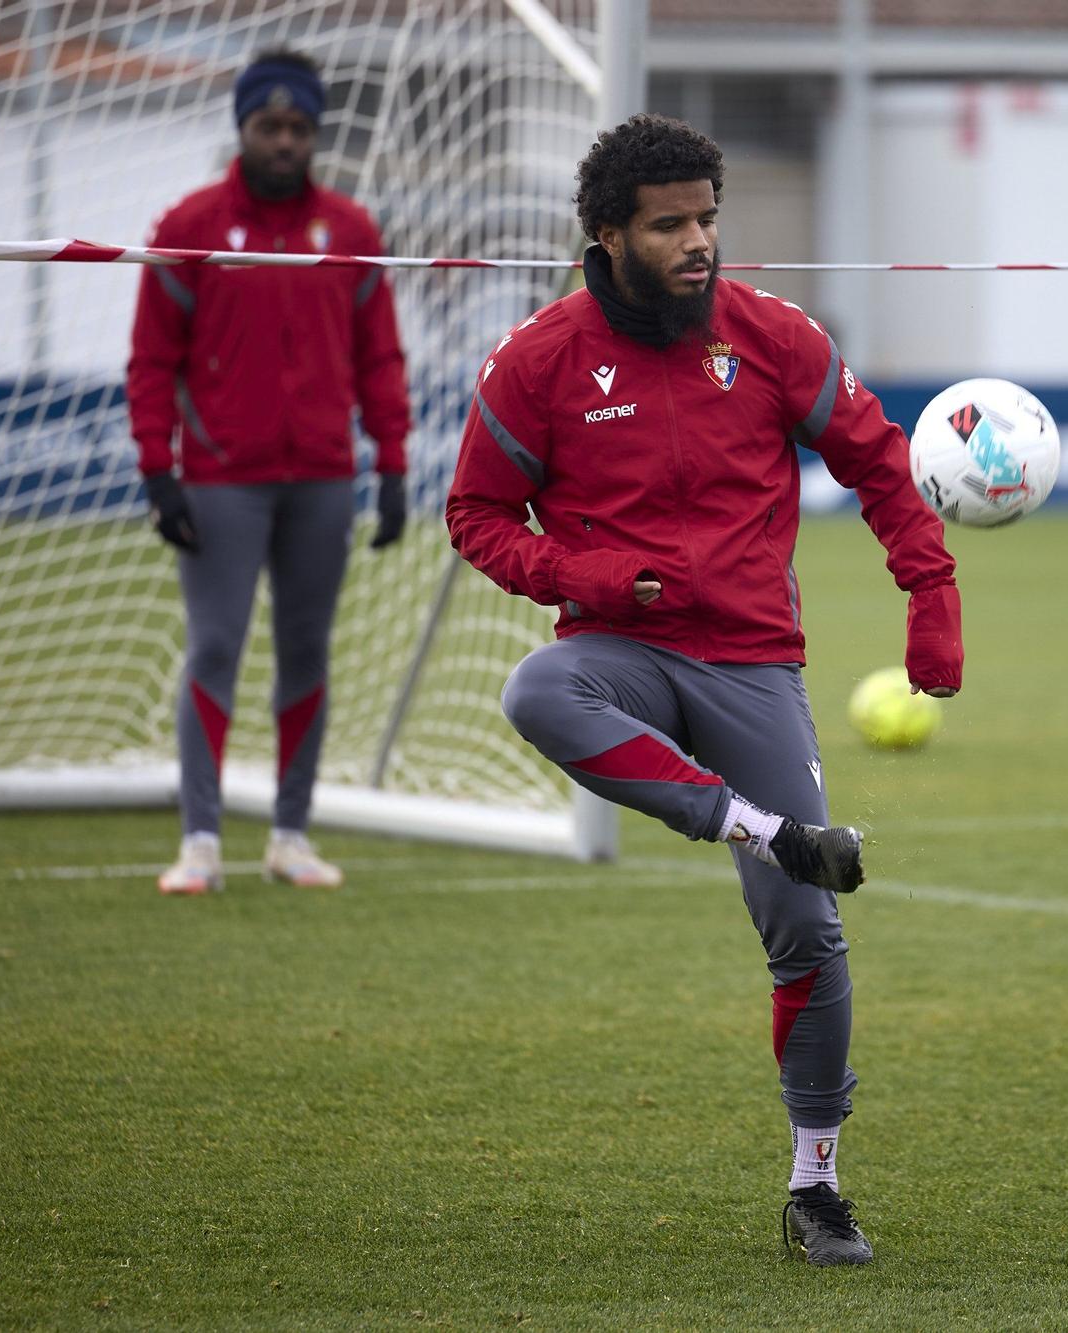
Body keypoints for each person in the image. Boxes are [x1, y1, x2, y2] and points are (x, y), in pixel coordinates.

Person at [444, 114, 963, 1264]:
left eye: (706, 219)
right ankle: (759, 828)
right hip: (616, 650)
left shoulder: (770, 335)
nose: (697, 242)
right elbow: (474, 514)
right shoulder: (537, 359)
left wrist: (930, 596)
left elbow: (878, 461)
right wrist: (582, 577)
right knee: (536, 689)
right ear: (605, 234)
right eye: (668, 225)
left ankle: (816, 1186)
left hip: (750, 661)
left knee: (807, 932)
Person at [126, 48, 411, 896]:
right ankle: (201, 841)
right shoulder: (189, 227)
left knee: (306, 653)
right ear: (242, 128)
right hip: (222, 482)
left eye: (298, 128)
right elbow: (151, 360)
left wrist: (393, 465)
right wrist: (158, 471)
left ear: (315, 133)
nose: (284, 141)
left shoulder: (351, 231)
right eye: (268, 126)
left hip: (323, 477)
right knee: (215, 646)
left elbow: (380, 358)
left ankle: (290, 835)